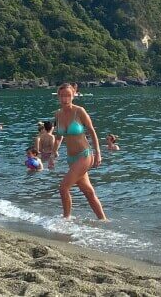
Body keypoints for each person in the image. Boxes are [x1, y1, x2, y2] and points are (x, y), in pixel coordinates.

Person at [54, 83, 106, 220]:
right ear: (58, 96)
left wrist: (98, 153)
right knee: (88, 192)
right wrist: (54, 154)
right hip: (71, 159)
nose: (65, 99)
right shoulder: (58, 114)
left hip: (85, 155)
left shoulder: (79, 111)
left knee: (63, 187)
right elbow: (59, 137)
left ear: (73, 96)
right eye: (62, 96)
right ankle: (103, 219)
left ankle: (66, 219)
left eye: (68, 96)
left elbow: (92, 131)